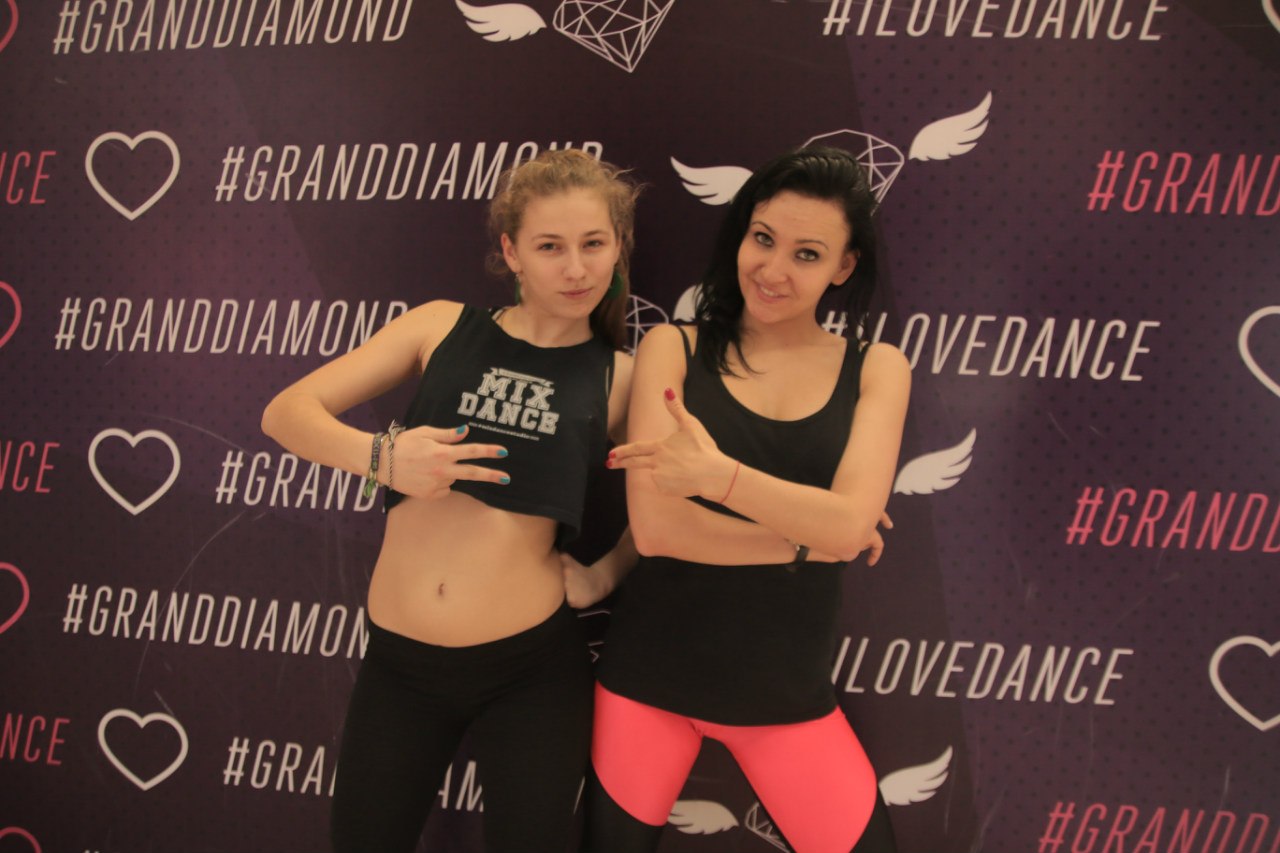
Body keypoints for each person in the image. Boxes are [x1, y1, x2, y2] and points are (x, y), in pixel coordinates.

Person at [260, 148, 640, 853]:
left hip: (531, 672)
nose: (576, 268)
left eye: (593, 244)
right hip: (399, 666)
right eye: (550, 247)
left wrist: (605, 574)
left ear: (618, 246)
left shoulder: (620, 376)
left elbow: (673, 503)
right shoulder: (441, 326)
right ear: (511, 252)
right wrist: (384, 457)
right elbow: (286, 413)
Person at [579, 147, 910, 853]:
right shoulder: (672, 347)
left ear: (844, 267)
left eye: (807, 254)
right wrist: (815, 539)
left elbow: (851, 522)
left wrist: (719, 478)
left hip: (785, 696)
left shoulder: (878, 368)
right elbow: (659, 529)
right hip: (648, 682)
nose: (773, 269)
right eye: (763, 239)